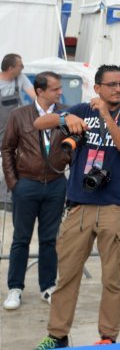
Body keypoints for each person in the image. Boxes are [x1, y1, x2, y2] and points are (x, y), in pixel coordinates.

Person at [32, 65, 120, 349]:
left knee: (112, 279)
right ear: (97, 88)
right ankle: (57, 335)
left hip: (117, 207)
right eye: (111, 84)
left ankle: (108, 337)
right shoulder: (82, 109)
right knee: (67, 276)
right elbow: (38, 124)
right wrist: (64, 115)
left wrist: (107, 117)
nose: (118, 89)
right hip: (80, 206)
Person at [1, 72, 70, 311]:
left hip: (55, 184)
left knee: (50, 240)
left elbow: (75, 142)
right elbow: (7, 148)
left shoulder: (66, 112)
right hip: (26, 185)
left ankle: (48, 286)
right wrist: (14, 183)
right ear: (40, 91)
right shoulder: (19, 115)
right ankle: (15, 288)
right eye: (55, 89)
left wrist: (67, 157)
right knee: (20, 239)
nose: (60, 92)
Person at [0, 53, 37, 143]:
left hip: (15, 123)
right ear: (10, 69)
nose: (23, 67)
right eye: (20, 65)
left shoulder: (20, 77)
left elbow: (35, 96)